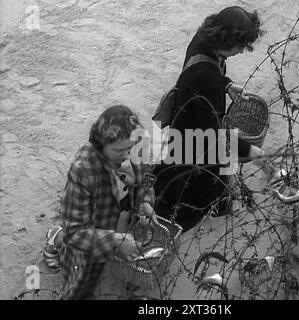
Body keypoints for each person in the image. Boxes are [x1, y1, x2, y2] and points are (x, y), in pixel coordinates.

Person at [153, 6, 266, 232]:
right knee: (201, 176)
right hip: (197, 134)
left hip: (187, 115)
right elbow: (212, 137)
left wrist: (227, 85)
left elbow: (208, 70)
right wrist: (249, 152)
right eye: (240, 46)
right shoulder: (207, 78)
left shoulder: (203, 39)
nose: (242, 52)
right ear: (227, 41)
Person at [43, 105, 156, 300]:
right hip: (93, 228)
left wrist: (145, 202)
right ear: (100, 146)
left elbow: (145, 179)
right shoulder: (83, 170)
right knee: (80, 271)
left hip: (120, 220)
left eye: (129, 149)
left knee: (113, 274)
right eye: (119, 151)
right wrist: (115, 242)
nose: (127, 155)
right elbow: (76, 232)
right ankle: (55, 238)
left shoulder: (136, 144)